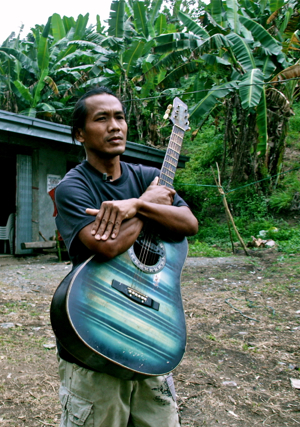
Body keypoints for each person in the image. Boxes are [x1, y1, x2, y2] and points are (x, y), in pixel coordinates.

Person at [53, 86, 198, 427]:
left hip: (152, 336)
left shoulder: (148, 177)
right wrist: (151, 206)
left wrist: (135, 203)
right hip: (95, 335)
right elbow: (107, 245)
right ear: (80, 134)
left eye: (119, 117)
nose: (114, 126)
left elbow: (189, 224)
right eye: (101, 119)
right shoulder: (73, 187)